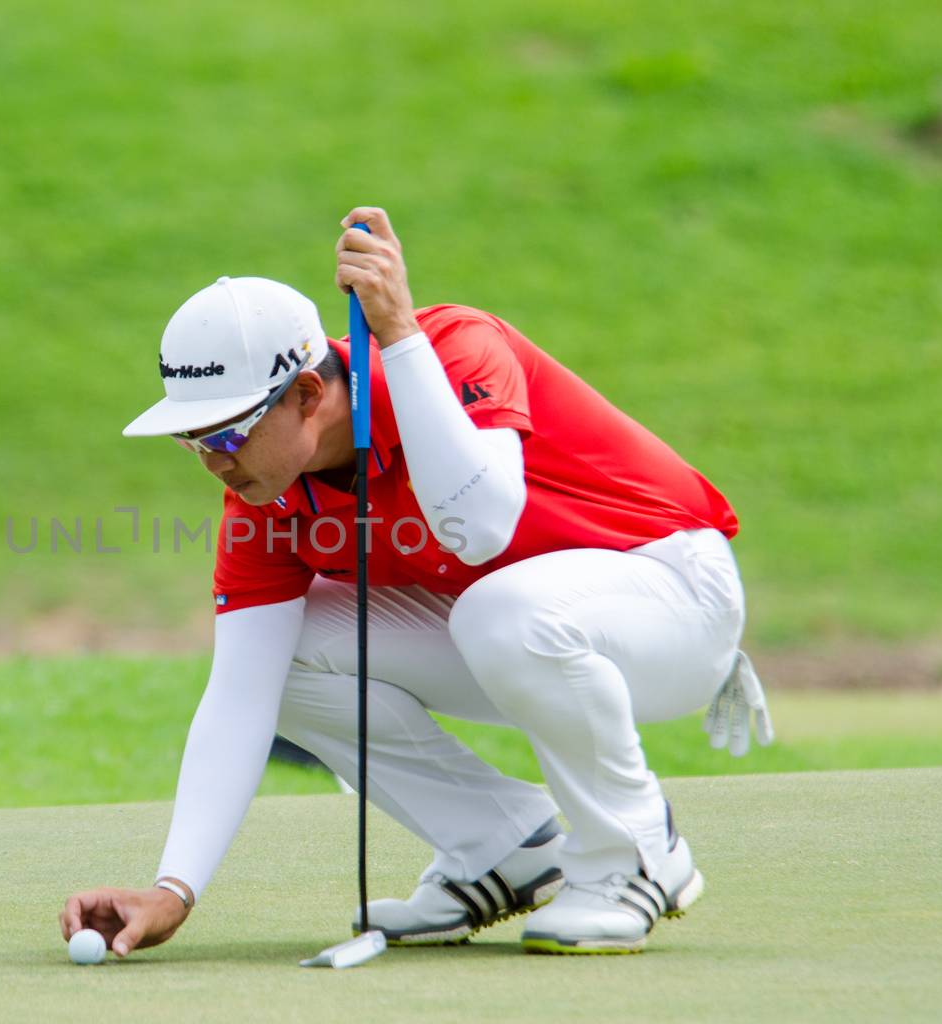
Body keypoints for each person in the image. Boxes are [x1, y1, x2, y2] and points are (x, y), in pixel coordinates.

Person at [59, 206, 771, 958]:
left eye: (228, 433)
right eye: (192, 439)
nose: (214, 461)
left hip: (672, 594)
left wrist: (398, 335)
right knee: (284, 654)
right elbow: (240, 694)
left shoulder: (458, 346)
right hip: (520, 623)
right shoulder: (266, 499)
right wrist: (175, 889)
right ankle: (500, 846)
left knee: (502, 611)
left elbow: (484, 526)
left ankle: (635, 853)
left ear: (307, 394)